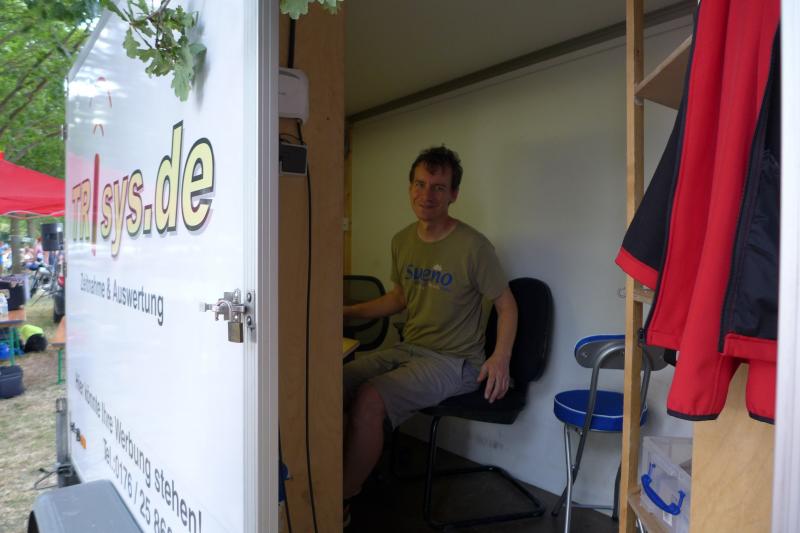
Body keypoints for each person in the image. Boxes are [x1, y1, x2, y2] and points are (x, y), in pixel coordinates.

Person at [342, 146, 518, 511]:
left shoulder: (474, 247)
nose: (427, 195)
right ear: (410, 188)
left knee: (370, 398)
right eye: (420, 184)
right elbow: (399, 298)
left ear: (454, 194)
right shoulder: (402, 240)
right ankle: (335, 469)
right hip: (408, 348)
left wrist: (500, 358)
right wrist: (347, 313)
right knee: (335, 380)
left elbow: (507, 305)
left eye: (439, 187)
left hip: (455, 362)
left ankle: (339, 501)